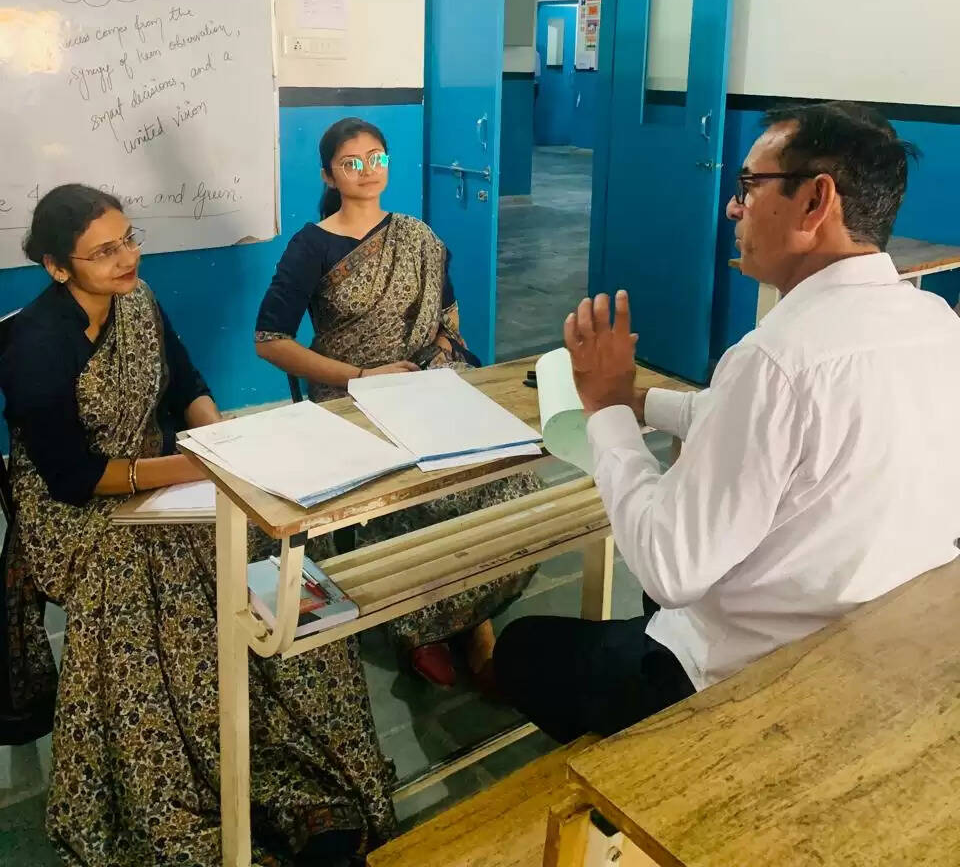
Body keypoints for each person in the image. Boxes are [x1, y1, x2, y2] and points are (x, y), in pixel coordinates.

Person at [494, 101, 960, 741]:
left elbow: (669, 568)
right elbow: (763, 429)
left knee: (524, 648)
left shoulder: (777, 358)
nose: (733, 209)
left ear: (814, 201)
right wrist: (638, 399)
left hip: (747, 676)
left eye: (749, 186)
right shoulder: (937, 323)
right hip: (874, 635)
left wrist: (604, 410)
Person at [0, 185, 396, 866]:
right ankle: (198, 791)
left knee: (270, 560)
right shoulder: (34, 344)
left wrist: (221, 442)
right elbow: (70, 476)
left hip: (164, 474)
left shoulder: (137, 301)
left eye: (128, 239)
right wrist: (194, 467)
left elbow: (185, 383)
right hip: (79, 513)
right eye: (104, 252)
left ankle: (300, 776)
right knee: (161, 602)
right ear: (57, 267)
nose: (127, 258)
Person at [255, 117, 538, 687]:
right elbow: (270, 341)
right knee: (419, 492)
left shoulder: (418, 236)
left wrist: (436, 359)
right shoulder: (312, 246)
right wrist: (364, 375)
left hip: (427, 382)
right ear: (329, 175)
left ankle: (473, 613)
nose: (367, 170)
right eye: (351, 163)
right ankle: (422, 625)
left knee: (503, 477)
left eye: (376, 158)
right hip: (352, 392)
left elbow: (447, 319)